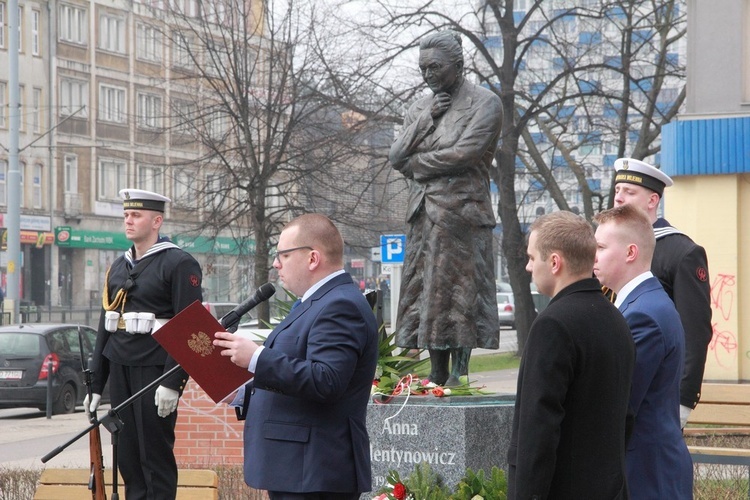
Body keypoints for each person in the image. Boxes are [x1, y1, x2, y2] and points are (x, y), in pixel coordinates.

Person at [213, 214, 379, 500]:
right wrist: (243, 393)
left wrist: (257, 358)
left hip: (315, 471)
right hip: (299, 469)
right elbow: (297, 383)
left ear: (313, 258)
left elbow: (326, 380)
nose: (276, 264)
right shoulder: (314, 302)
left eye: (284, 255)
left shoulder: (339, 304)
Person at [388, 29, 502, 386]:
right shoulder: (419, 108)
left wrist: (417, 165)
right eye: (422, 69)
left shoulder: (485, 103)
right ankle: (435, 373)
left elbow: (464, 154)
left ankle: (459, 374)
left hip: (462, 214)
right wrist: (423, 123)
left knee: (459, 293)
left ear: (457, 65)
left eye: (434, 67)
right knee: (425, 294)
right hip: (423, 214)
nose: (428, 75)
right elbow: (395, 157)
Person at [507, 211, 635, 499]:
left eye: (531, 257)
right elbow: (625, 419)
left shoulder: (553, 324)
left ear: (554, 262)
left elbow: (538, 431)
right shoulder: (616, 319)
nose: (528, 266)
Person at [85, 188, 203, 499]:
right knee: (127, 455)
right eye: (126, 215)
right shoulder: (118, 266)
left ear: (157, 221)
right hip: (121, 366)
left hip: (155, 369)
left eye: (136, 215)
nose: (128, 220)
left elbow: (191, 328)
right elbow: (106, 325)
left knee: (155, 454)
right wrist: (97, 384)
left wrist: (173, 381)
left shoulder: (178, 263)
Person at [594, 205, 693, 498]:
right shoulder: (641, 303)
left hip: (648, 474)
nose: (593, 256)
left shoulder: (643, 314)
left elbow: (620, 403)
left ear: (630, 253)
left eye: (600, 247)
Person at [612, 157, 712, 427]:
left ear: (652, 200)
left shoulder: (681, 252)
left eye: (629, 192)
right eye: (617, 190)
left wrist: (683, 401)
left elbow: (695, 330)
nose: (619, 198)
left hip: (659, 397)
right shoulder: (609, 249)